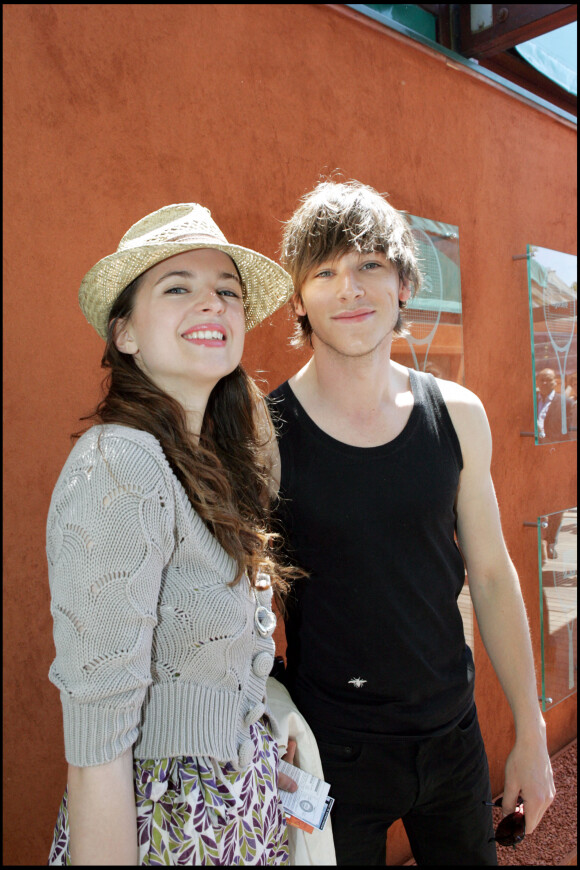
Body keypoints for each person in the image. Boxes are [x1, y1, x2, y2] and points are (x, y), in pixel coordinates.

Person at [266, 180, 555, 865]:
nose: (351, 288)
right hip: (331, 751)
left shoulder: (457, 413)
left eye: (370, 264)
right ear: (300, 298)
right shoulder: (265, 432)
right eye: (326, 271)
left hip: (452, 737)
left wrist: (531, 731)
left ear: (403, 284)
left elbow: (489, 574)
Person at [46, 202, 299, 866]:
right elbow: (97, 746)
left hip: (240, 818)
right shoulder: (120, 465)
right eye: (178, 287)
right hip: (166, 830)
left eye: (226, 292)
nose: (211, 305)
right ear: (124, 332)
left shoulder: (215, 461)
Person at [536, 367, 573, 441]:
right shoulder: (530, 401)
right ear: (537, 382)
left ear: (556, 382)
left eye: (548, 380)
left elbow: (570, 432)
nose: (544, 383)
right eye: (542, 380)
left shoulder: (566, 403)